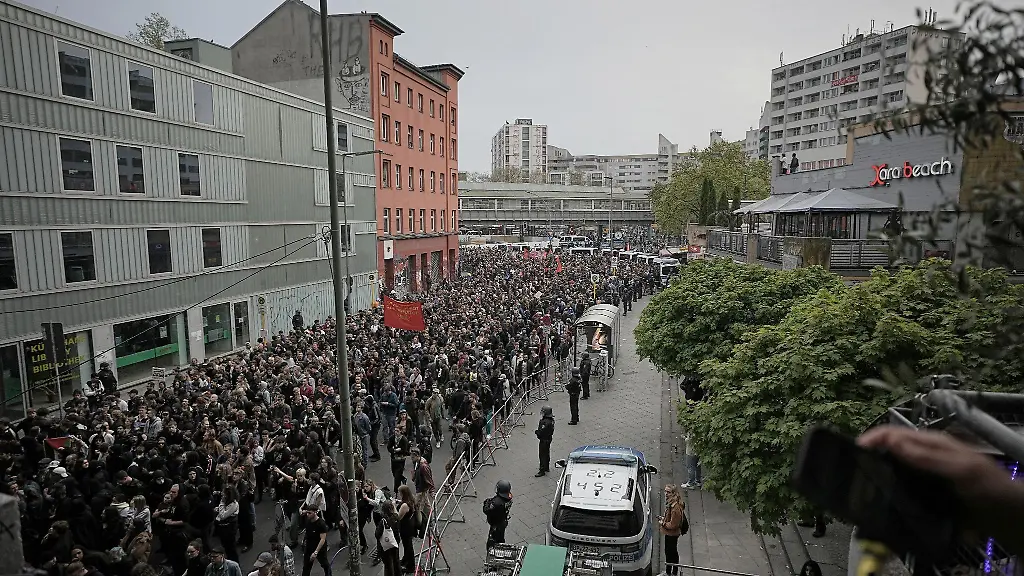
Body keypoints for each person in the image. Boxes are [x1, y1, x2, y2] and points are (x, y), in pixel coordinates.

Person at [658, 484, 687, 576]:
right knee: (670, 552)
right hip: (670, 532)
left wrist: (663, 523)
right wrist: (663, 518)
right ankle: (669, 572)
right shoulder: (671, 503)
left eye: (668, 492)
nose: (666, 494)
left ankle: (671, 573)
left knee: (671, 553)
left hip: (672, 533)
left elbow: (673, 525)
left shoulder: (675, 507)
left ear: (674, 493)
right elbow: (670, 519)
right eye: (665, 491)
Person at [300, 505, 331, 576]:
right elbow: (307, 533)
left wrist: (316, 552)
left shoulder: (321, 524)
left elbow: (322, 539)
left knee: (325, 565)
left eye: (310, 513)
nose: (308, 515)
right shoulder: (308, 521)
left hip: (319, 548)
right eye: (307, 513)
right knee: (306, 567)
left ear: (315, 512)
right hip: (309, 547)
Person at [483, 480, 513, 551]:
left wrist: (487, 503)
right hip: (503, 521)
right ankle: (501, 548)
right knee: (501, 538)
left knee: (492, 541)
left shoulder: (496, 503)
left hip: (496, 525)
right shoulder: (508, 497)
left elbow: (486, 510)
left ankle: (493, 553)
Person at [535, 406, 554, 477]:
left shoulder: (544, 422)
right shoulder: (551, 420)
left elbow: (541, 432)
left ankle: (542, 470)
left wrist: (537, 432)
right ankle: (547, 467)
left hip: (543, 440)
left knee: (542, 455)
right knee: (547, 453)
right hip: (549, 438)